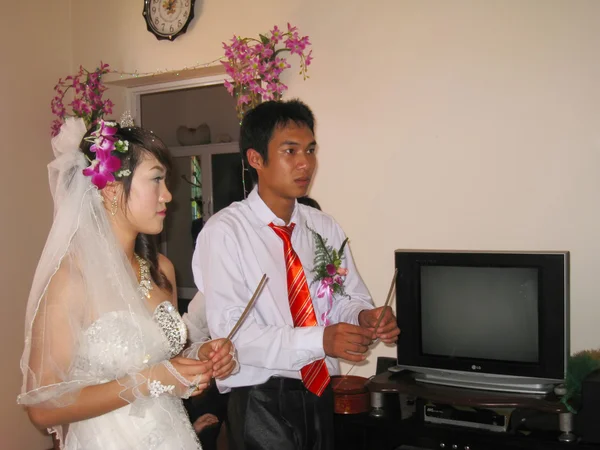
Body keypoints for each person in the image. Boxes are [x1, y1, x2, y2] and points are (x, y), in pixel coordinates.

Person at [190, 99, 400, 450]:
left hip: (318, 392)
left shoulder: (322, 226)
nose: (305, 163)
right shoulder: (226, 231)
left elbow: (344, 297)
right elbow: (234, 337)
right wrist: (323, 339)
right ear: (256, 159)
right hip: (260, 399)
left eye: (310, 150)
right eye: (290, 151)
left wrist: (364, 317)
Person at [18, 117, 237, 449]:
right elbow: (42, 407)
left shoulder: (162, 270)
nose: (167, 196)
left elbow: (166, 366)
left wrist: (200, 359)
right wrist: (150, 381)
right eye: (156, 180)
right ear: (111, 189)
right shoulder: (72, 279)